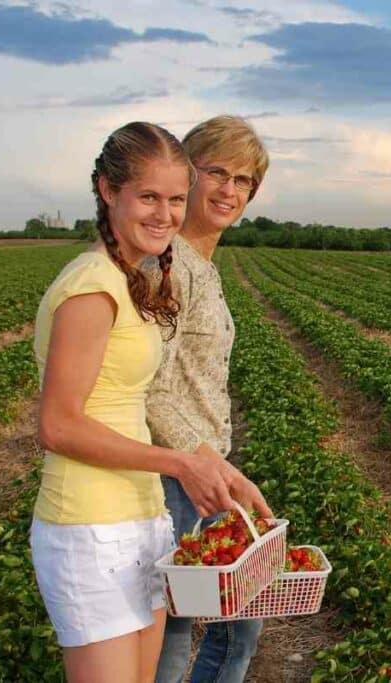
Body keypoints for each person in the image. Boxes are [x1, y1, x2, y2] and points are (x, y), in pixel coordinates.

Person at [29, 121, 255, 683]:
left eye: (175, 199)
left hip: (140, 514)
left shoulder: (133, 278)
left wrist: (215, 467)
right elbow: (58, 425)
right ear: (108, 191)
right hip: (88, 522)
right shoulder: (92, 286)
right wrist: (186, 461)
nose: (164, 214)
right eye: (148, 197)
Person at [147, 115, 271, 683]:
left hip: (207, 470)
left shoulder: (203, 267)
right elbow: (152, 389)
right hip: (179, 477)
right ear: (186, 176)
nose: (229, 189)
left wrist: (219, 468)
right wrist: (204, 463)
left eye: (243, 179)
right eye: (215, 172)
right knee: (178, 626)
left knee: (238, 621)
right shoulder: (167, 266)